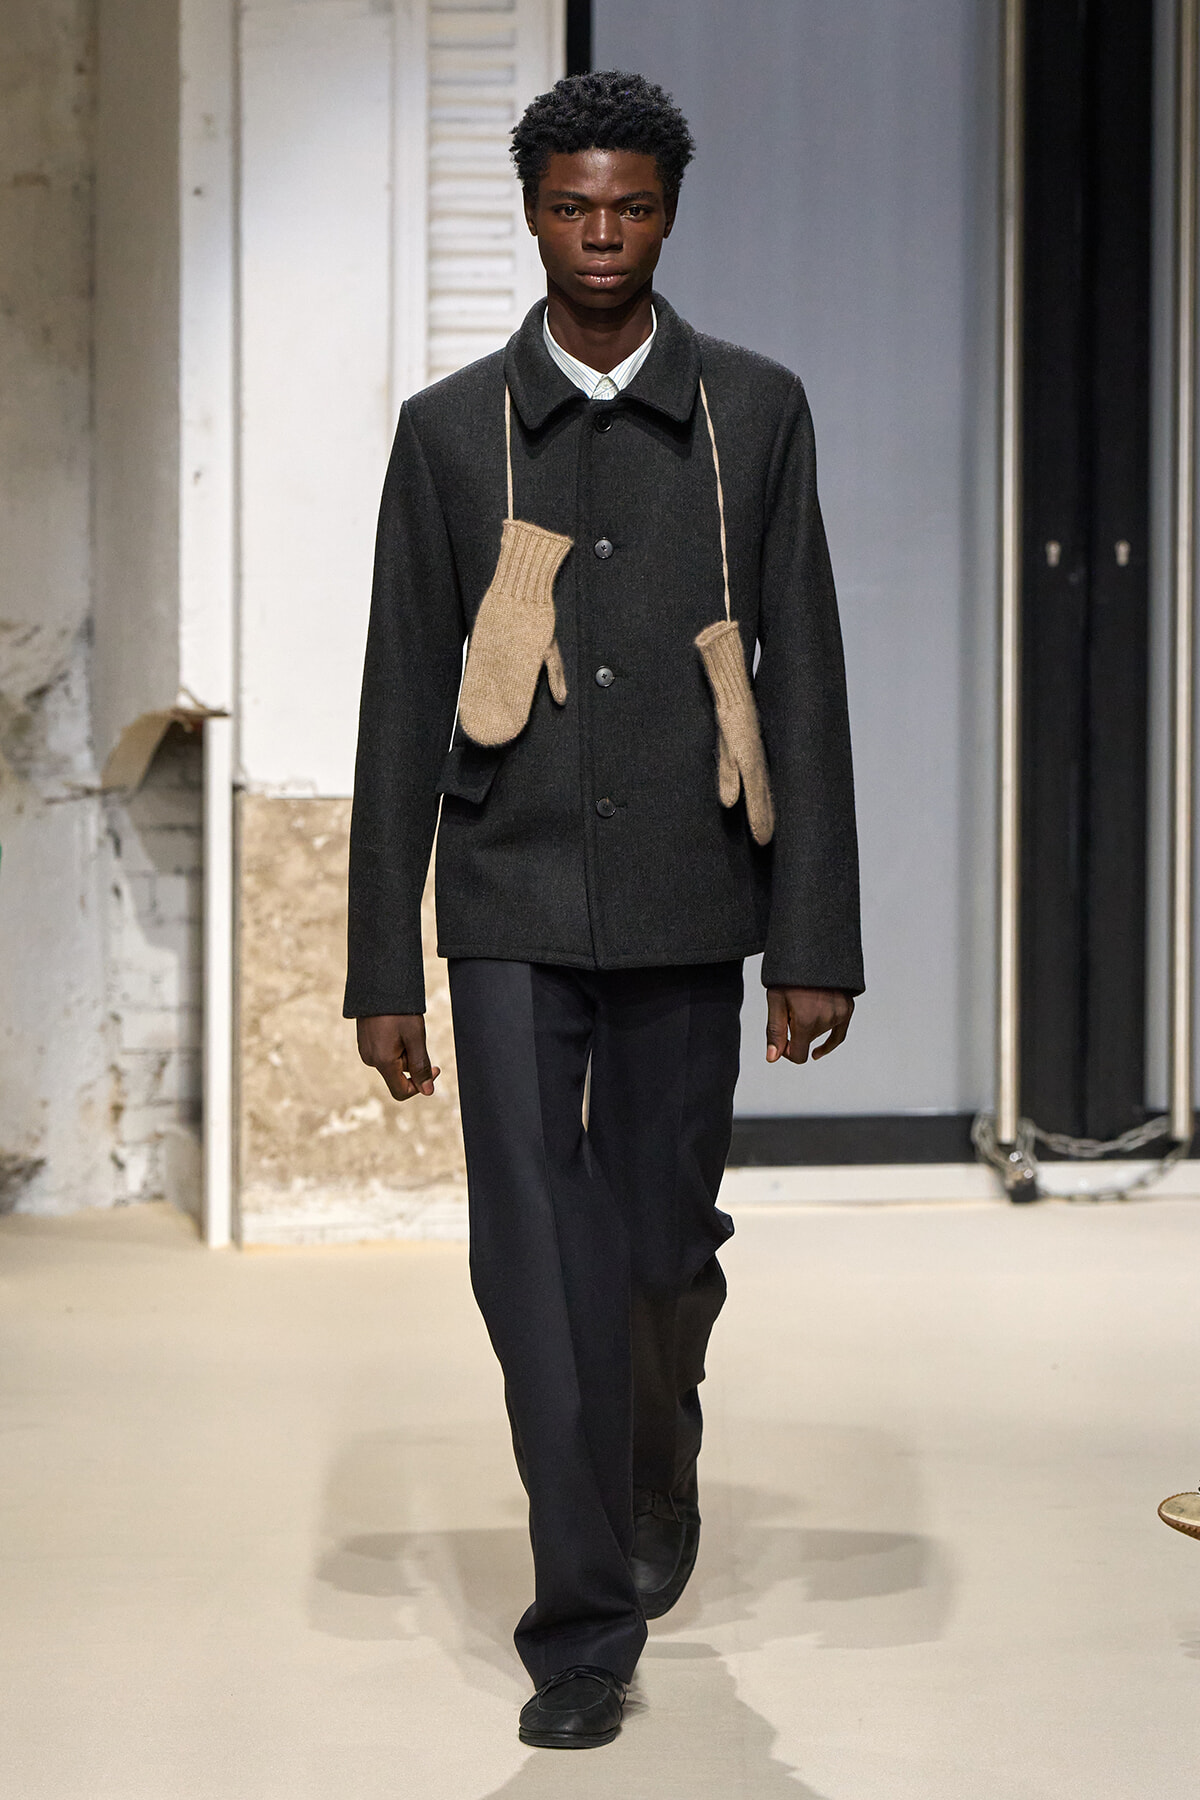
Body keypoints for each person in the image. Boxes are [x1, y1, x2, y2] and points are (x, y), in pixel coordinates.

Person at [344, 69, 863, 1750]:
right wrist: (381, 963)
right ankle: (580, 1626)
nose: (601, 236)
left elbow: (811, 688)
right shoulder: (447, 435)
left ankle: (657, 1454)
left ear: (669, 211)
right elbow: (398, 697)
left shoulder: (757, 417)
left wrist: (815, 938)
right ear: (531, 211)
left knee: (655, 1249)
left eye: (630, 205)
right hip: (504, 897)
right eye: (572, 205)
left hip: (691, 897)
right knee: (529, 1257)